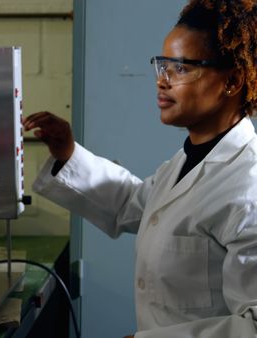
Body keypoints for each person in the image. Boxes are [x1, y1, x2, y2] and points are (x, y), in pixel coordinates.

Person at [24, 0, 257, 337]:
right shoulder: (189, 161)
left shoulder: (247, 187)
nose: (162, 81)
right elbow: (135, 203)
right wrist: (68, 153)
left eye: (181, 68)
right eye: (162, 65)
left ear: (232, 81)